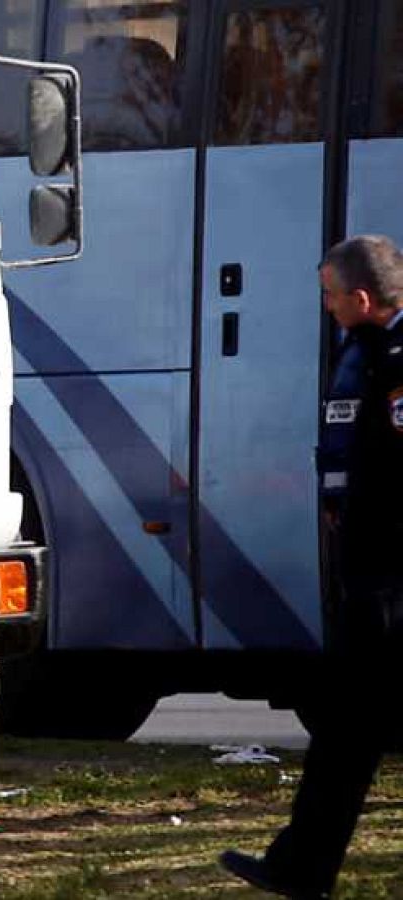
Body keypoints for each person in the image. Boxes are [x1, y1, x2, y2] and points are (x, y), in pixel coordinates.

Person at [220, 235, 403, 899]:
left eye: (330, 295)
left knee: (347, 730)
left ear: (361, 298)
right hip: (371, 575)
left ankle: (300, 868)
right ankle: (299, 868)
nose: (326, 307)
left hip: (387, 582)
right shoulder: (367, 349)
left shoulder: (395, 358)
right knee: (346, 733)